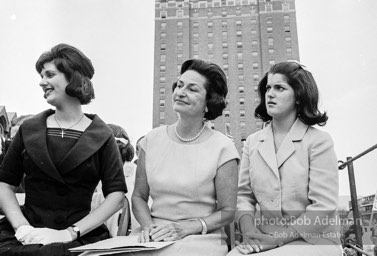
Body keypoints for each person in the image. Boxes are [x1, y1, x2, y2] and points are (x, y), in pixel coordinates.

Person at [0, 43, 127, 256]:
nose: (42, 82)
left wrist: (70, 233)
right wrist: (22, 228)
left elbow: (116, 196)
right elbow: (5, 184)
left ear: (73, 77)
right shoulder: (28, 129)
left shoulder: (102, 135)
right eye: (41, 76)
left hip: (79, 237)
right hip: (23, 235)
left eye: (50, 74)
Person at [228, 61, 342, 256]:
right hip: (266, 238)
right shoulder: (253, 142)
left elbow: (323, 206)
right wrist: (249, 232)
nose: (270, 94)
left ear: (299, 96)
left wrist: (278, 239)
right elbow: (244, 196)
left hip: (314, 240)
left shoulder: (319, 141)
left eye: (280, 88)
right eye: (268, 88)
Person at [131, 59, 240, 256]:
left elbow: (228, 211)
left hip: (200, 237)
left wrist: (187, 228)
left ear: (209, 102)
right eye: (179, 85)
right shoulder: (151, 139)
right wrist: (148, 227)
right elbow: (138, 196)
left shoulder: (223, 147)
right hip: (152, 235)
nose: (180, 92)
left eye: (192, 89)